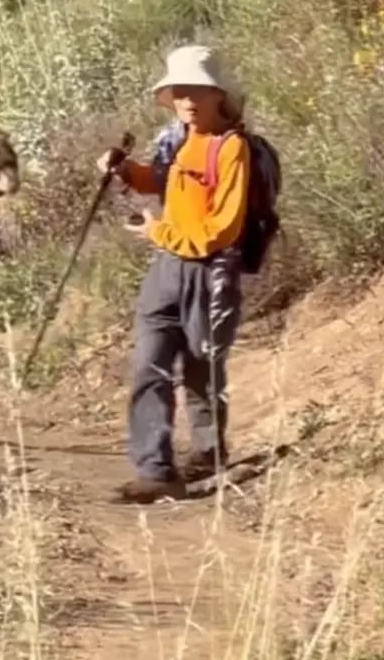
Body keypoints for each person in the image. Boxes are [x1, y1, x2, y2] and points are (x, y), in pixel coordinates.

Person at [98, 43, 250, 505]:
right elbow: (158, 180)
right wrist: (125, 170)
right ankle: (155, 470)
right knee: (150, 365)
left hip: (207, 272)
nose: (186, 100)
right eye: (178, 91)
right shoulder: (180, 139)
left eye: (195, 90)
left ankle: (209, 457)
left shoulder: (231, 149)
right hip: (167, 268)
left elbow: (222, 229)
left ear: (217, 95)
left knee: (203, 369)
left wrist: (159, 232)